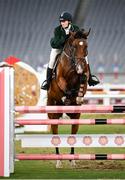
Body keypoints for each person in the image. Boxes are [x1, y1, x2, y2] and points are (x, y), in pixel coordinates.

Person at [41, 11, 100, 90]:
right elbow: (56, 43)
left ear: (69, 21)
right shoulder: (57, 30)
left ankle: (90, 78)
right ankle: (47, 82)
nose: (62, 23)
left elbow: (79, 39)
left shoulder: (75, 28)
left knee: (85, 57)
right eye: (61, 21)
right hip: (58, 48)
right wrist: (65, 37)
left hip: (71, 49)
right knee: (51, 61)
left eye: (64, 21)